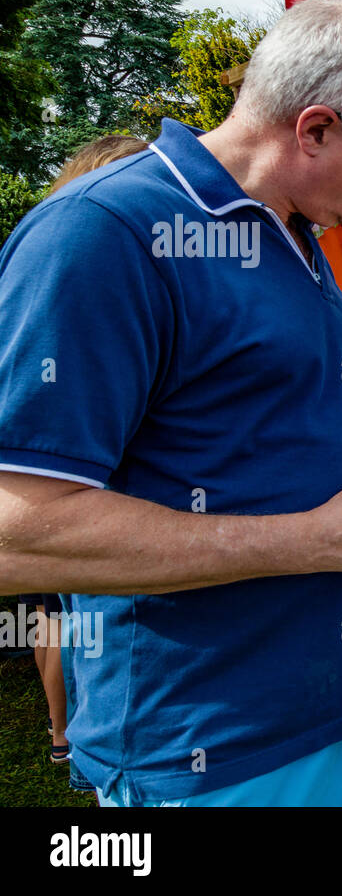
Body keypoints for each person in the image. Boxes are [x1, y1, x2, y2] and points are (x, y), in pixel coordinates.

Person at [0, 0, 342, 807]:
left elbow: (268, 442)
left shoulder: (295, 233)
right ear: (317, 128)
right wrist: (318, 537)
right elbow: (19, 534)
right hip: (220, 748)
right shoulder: (102, 235)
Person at [15, 134, 148, 785]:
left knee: (57, 614)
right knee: (60, 611)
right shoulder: (79, 263)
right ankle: (69, 733)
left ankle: (64, 733)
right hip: (67, 490)